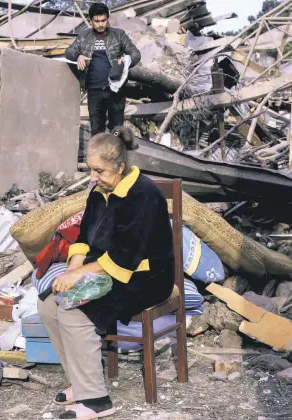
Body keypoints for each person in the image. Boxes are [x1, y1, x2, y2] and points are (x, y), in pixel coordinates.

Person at [38, 127, 174, 419]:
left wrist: (80, 275)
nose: (93, 176)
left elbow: (127, 255)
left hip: (146, 278)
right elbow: (84, 237)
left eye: (99, 170)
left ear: (120, 167)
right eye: (91, 169)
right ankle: (80, 382)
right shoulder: (99, 193)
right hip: (108, 271)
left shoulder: (143, 195)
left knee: (74, 310)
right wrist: (73, 270)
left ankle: (97, 401)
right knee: (48, 304)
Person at [65, 3, 141, 135]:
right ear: (91, 21)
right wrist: (78, 56)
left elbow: (135, 54)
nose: (100, 24)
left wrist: (124, 62)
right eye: (96, 21)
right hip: (94, 91)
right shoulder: (84, 36)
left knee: (117, 131)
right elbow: (68, 52)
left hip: (116, 90)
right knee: (96, 131)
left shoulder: (118, 35)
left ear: (108, 19)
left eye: (103, 20)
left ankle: (116, 155)